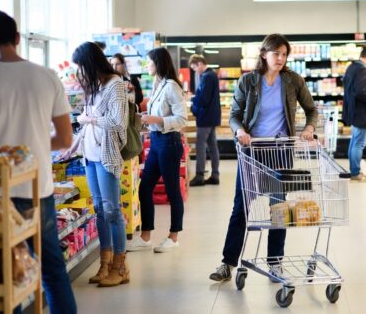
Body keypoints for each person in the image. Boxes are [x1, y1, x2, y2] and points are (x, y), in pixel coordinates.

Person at [0, 11, 77, 313]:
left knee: (3, 275)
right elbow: (64, 139)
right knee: (52, 271)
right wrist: (30, 147)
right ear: (18, 38)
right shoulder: (47, 76)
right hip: (39, 190)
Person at [209, 33, 318, 283]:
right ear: (264, 54)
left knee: (278, 209)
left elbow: (311, 109)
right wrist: (240, 130)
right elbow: (235, 114)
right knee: (241, 208)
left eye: (284, 54)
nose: (280, 58)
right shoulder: (248, 81)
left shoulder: (293, 81)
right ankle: (227, 263)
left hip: (280, 152)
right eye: (276, 53)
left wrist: (309, 128)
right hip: (252, 151)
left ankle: (275, 263)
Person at [69, 42, 130, 287]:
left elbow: (118, 123)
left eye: (81, 68)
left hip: (106, 156)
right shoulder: (94, 87)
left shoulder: (115, 84)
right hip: (90, 156)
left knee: (112, 210)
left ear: (91, 63)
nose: (79, 73)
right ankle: (104, 263)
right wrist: (73, 145)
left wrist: (90, 118)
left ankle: (121, 267)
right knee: (99, 210)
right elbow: (87, 126)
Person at [131, 47, 188, 253]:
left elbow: (182, 119)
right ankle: (145, 237)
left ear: (158, 63)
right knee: (145, 188)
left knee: (173, 191)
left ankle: (174, 237)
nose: (147, 66)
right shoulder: (158, 84)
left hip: (169, 143)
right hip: (156, 141)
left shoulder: (172, 86)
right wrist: (148, 118)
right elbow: (160, 114)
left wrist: (156, 120)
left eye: (149, 62)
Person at [343, 45, 366, 182]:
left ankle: (354, 170)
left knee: (354, 141)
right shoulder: (362, 70)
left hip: (353, 111)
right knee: (359, 143)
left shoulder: (352, 67)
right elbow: (360, 92)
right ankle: (355, 173)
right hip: (361, 112)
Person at [189, 54, 222, 186]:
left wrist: (191, 99)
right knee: (213, 146)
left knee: (200, 146)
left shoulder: (207, 77)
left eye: (194, 68)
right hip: (212, 117)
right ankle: (215, 175)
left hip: (206, 118)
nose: (195, 71)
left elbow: (203, 99)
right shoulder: (211, 75)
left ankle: (199, 175)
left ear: (200, 64)